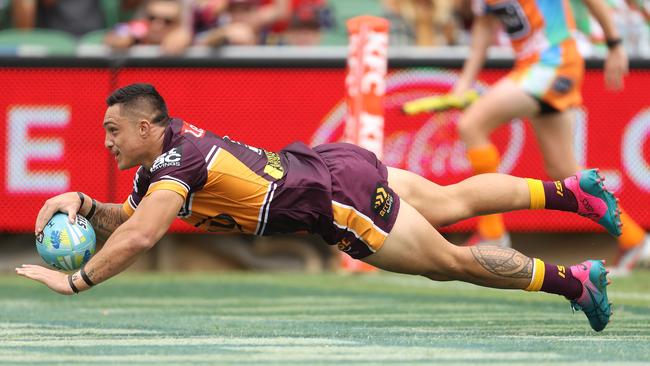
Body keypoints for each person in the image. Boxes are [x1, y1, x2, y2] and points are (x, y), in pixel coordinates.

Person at [17, 83, 621, 332]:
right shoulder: (167, 158)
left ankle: (575, 283)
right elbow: (132, 218)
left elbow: (143, 237)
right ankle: (575, 193)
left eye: (113, 130)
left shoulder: (176, 166)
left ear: (148, 127)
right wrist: (85, 203)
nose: (107, 141)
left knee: (450, 262)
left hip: (335, 202)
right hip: (334, 163)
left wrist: (77, 281)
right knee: (450, 199)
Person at [441, 0, 649, 272]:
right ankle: (636, 241)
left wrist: (614, 44)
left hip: (554, 63)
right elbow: (484, 26)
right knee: (564, 172)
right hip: (530, 67)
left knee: (471, 126)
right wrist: (465, 82)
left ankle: (492, 234)